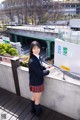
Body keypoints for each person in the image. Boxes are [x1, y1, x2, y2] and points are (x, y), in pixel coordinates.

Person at [28, 41, 50, 116]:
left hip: (34, 82)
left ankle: (32, 109)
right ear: (31, 49)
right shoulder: (32, 61)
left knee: (34, 97)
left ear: (40, 48)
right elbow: (40, 73)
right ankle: (38, 113)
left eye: (38, 48)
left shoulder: (37, 57)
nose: (36, 50)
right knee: (37, 99)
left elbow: (39, 67)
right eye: (34, 48)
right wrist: (48, 71)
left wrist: (45, 67)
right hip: (36, 83)